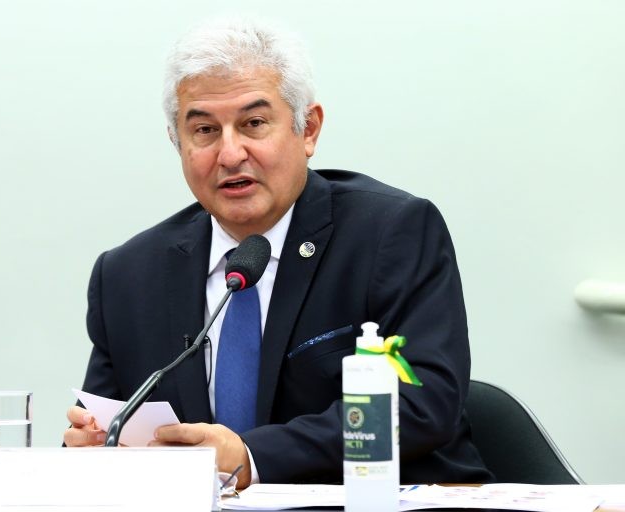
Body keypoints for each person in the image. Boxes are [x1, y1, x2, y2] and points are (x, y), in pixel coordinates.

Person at [64, 17, 493, 488]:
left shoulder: (390, 233)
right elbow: (105, 422)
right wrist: (91, 448)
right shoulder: (127, 276)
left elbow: (422, 402)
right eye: (204, 130)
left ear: (307, 129)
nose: (230, 154)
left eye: (253, 123)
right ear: (178, 143)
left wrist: (252, 456)